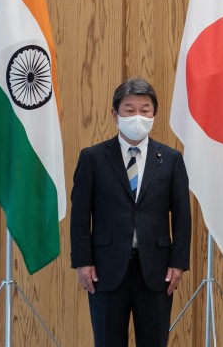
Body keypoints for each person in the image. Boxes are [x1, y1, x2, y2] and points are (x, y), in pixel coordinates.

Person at [70, 77, 192, 347]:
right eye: (130, 109)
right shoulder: (93, 158)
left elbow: (183, 216)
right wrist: (82, 261)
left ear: (154, 114)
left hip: (157, 270)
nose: (138, 116)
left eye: (145, 110)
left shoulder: (171, 159)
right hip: (105, 269)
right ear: (115, 114)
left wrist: (178, 263)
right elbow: (80, 215)